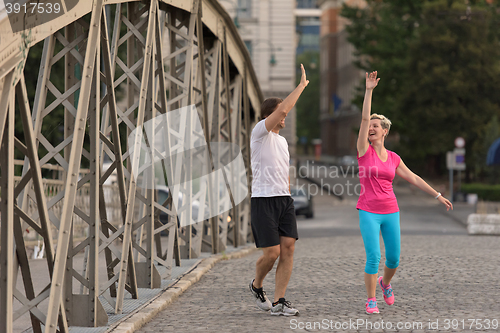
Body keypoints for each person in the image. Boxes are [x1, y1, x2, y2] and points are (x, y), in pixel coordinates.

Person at [356, 71, 453, 314]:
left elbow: (414, 178)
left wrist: (437, 195)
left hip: (390, 210)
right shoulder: (363, 150)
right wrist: (369, 91)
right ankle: (371, 299)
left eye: (376, 126)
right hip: (368, 210)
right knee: (373, 257)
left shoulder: (394, 158)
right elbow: (364, 118)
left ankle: (385, 283)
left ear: (385, 131)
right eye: (371, 126)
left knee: (394, 259)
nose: (372, 128)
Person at [248, 64, 309, 316]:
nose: (284, 117)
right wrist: (302, 86)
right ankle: (256, 285)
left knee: (288, 249)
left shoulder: (282, 141)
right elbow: (285, 107)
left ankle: (279, 301)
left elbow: (284, 172)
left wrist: (288, 193)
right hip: (263, 200)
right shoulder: (259, 133)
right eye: (279, 114)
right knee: (271, 253)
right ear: (267, 116)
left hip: (284, 200)